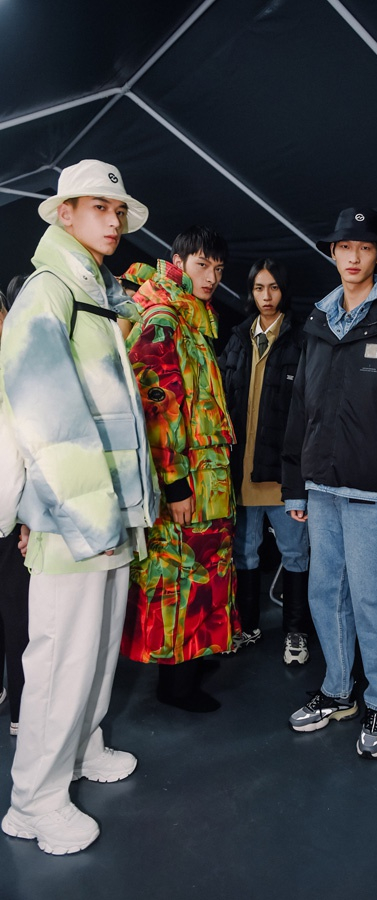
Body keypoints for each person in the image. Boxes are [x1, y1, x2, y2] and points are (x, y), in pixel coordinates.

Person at [0, 159, 158, 855]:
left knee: (94, 647)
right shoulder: (49, 290)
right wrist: (90, 517)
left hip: (109, 512)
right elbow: (45, 413)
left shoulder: (95, 293)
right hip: (76, 519)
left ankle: (83, 746)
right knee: (61, 656)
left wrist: (122, 510)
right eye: (99, 207)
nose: (113, 220)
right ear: (64, 214)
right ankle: (33, 801)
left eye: (118, 210)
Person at [282, 207, 377, 758]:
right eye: (344, 247)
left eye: (364, 247)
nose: (353, 256)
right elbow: (300, 408)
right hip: (322, 488)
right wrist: (296, 484)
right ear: (332, 253)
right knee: (326, 594)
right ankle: (337, 691)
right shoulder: (318, 324)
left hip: (376, 494)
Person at [120, 226, 239, 712]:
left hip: (206, 481)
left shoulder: (192, 318)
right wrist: (174, 485)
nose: (211, 277)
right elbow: (158, 409)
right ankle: (175, 685)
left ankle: (190, 660)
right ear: (178, 261)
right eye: (202, 265)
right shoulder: (164, 319)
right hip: (186, 484)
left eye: (218, 269)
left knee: (201, 577)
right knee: (178, 578)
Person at [220, 258, 310, 664]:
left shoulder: (301, 339)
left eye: (273, 287)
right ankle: (247, 627)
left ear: (283, 290)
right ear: (251, 292)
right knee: (244, 554)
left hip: (281, 475)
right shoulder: (238, 338)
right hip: (242, 471)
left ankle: (296, 632)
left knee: (295, 554)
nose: (266, 296)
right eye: (259, 288)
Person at [0, 278, 30, 737]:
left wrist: (26, 517)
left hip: (12, 514)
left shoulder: (18, 367)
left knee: (19, 615)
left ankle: (23, 713)